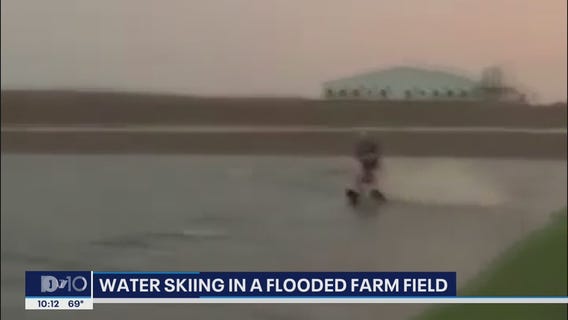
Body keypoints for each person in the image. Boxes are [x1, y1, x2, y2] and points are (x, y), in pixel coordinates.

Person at [346, 131, 385, 205]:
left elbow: (371, 158)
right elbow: (359, 156)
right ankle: (365, 192)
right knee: (363, 178)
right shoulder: (368, 153)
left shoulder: (370, 154)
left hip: (369, 163)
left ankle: (368, 192)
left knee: (365, 178)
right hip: (368, 163)